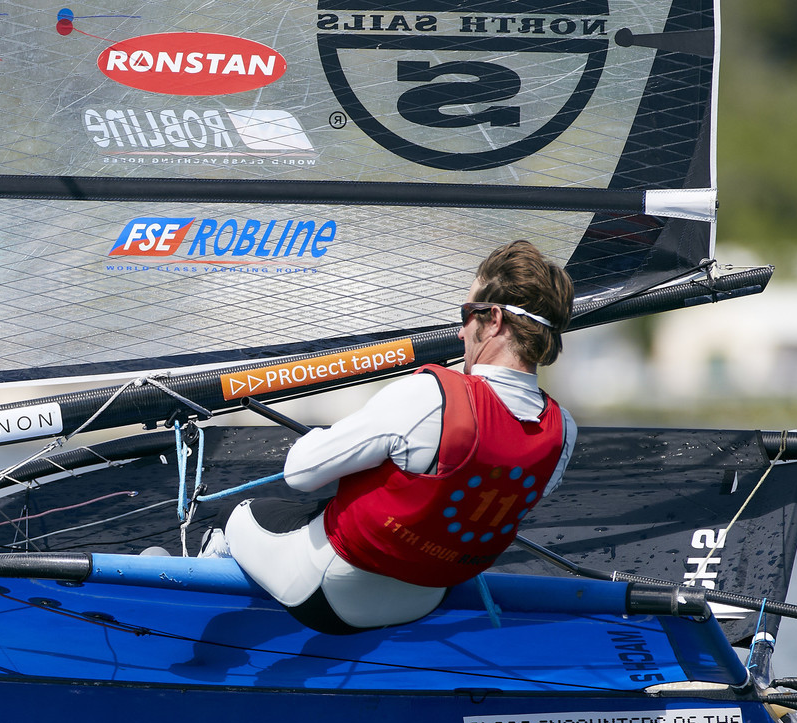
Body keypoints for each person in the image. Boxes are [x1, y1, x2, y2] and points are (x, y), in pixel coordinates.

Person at [213, 240, 578, 633]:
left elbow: (299, 473)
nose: (459, 333)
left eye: (466, 314)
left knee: (232, 515)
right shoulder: (562, 431)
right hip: (425, 598)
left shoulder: (432, 396)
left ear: (494, 320)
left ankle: (192, 632)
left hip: (327, 590)